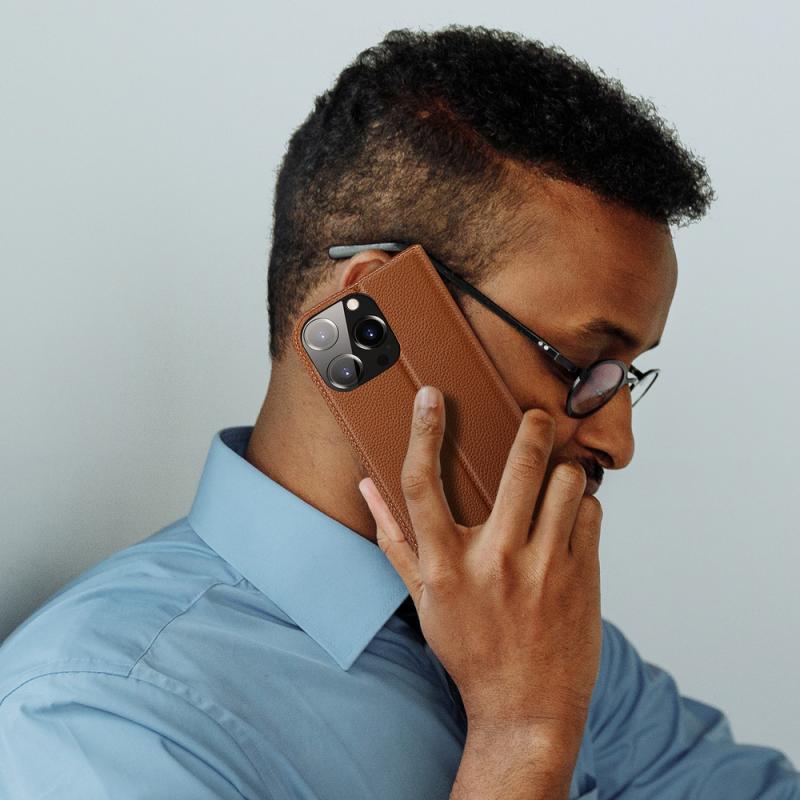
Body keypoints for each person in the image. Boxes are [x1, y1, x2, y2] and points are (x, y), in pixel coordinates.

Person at [0, 24, 797, 800]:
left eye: (626, 377)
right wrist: (521, 740)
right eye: (582, 366)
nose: (619, 442)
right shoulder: (100, 716)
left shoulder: (531, 616)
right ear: (372, 321)